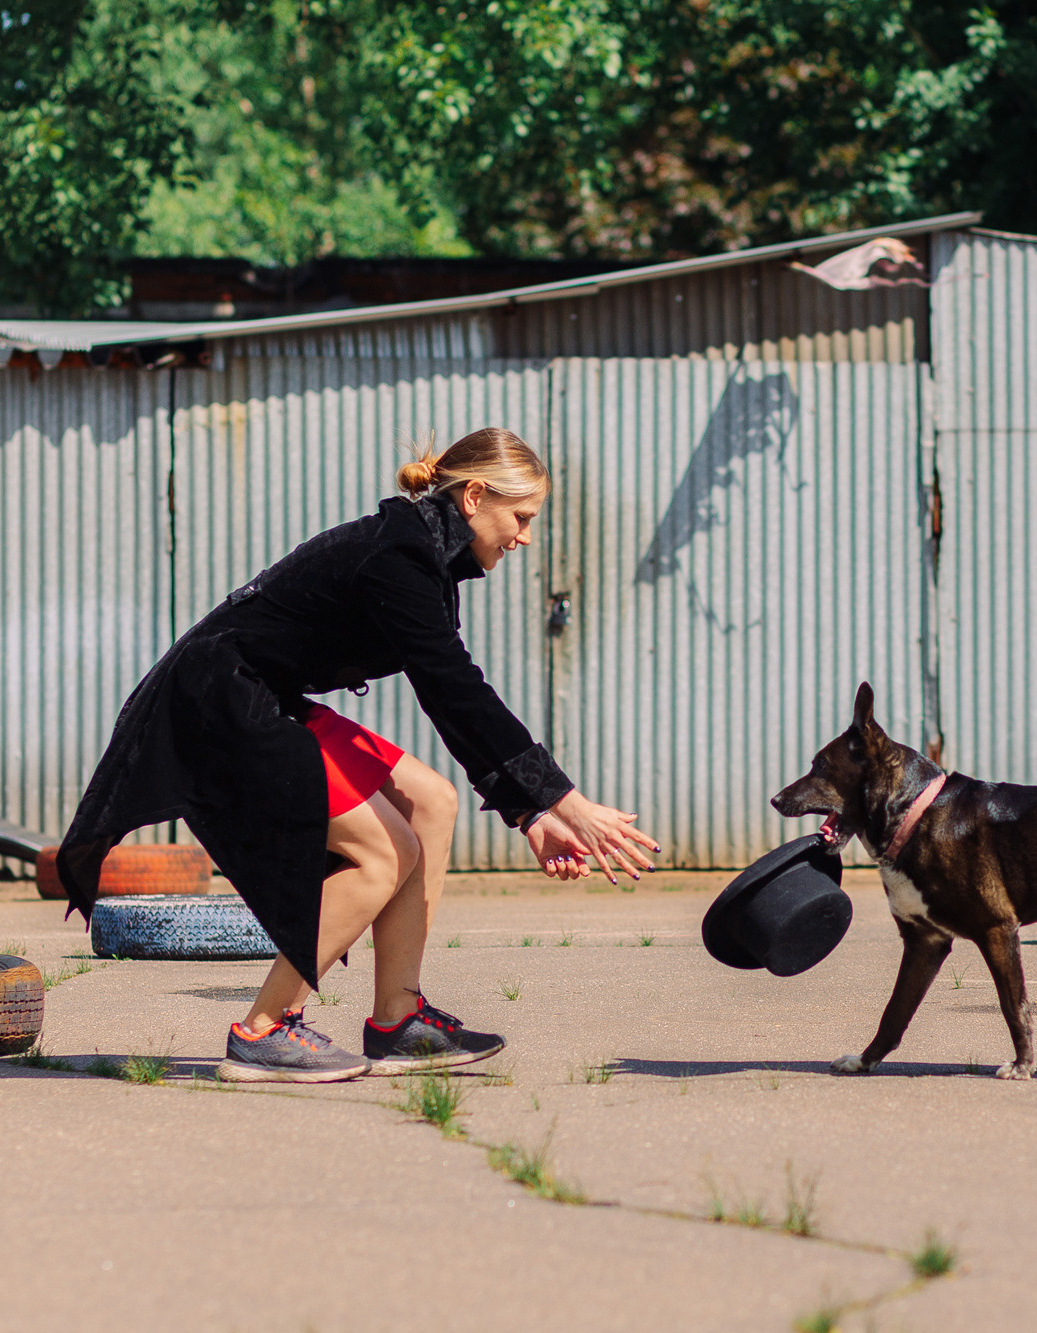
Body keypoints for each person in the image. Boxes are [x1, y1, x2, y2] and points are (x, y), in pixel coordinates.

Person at [56, 428, 660, 1083]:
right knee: (385, 852)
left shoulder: (421, 553)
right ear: (474, 496)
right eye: (521, 517)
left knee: (431, 802)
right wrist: (564, 802)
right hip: (216, 700)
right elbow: (454, 690)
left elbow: (453, 698)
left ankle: (398, 1019)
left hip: (261, 692)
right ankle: (264, 1030)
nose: (525, 536)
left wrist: (532, 815)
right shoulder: (398, 556)